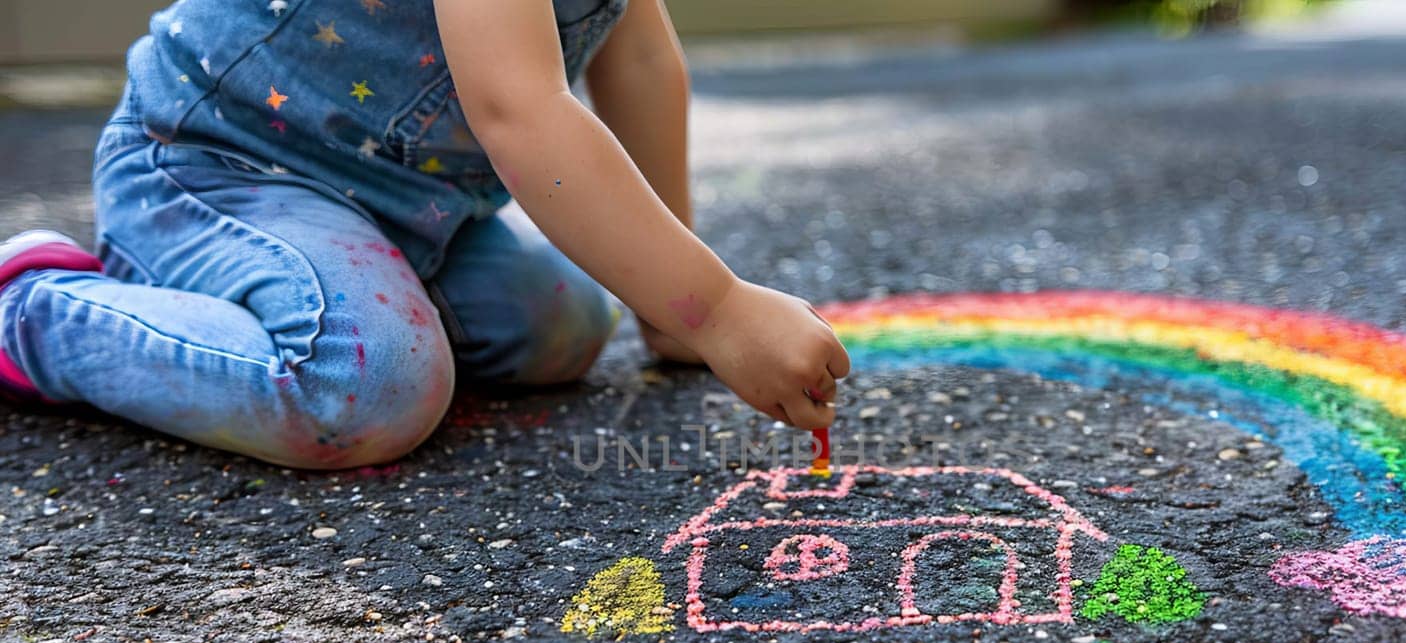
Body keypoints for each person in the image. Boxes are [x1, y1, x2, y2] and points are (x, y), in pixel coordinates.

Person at [0, 0, 849, 469]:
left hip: (405, 205)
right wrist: (720, 311)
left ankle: (347, 290)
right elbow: (520, 112)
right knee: (362, 389)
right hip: (213, 167)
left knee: (562, 327)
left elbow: (638, 60)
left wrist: (673, 312)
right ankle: (36, 311)